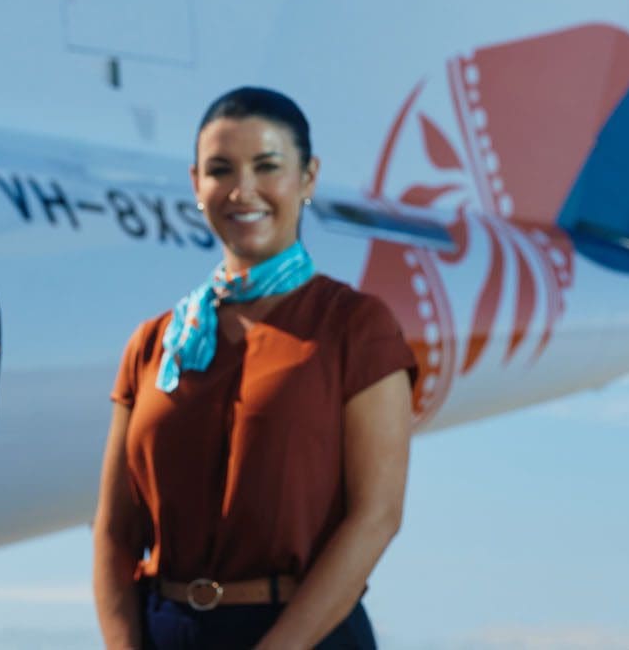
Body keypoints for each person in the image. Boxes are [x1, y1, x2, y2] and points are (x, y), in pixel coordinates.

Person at [94, 87, 415, 650]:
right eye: (221, 170)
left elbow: (376, 516)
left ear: (308, 178)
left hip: (304, 633)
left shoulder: (355, 328)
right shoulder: (153, 343)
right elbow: (114, 532)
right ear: (197, 184)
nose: (244, 191)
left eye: (268, 166)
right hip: (168, 632)